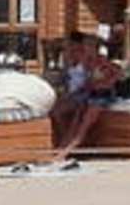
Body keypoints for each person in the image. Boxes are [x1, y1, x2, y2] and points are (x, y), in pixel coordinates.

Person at [49, 32, 122, 161]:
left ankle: (67, 150)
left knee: (84, 121)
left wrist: (103, 81)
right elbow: (86, 83)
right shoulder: (88, 62)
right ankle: (65, 147)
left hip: (102, 96)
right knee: (75, 118)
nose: (87, 48)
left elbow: (116, 74)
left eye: (90, 46)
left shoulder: (101, 61)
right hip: (89, 95)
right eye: (86, 45)